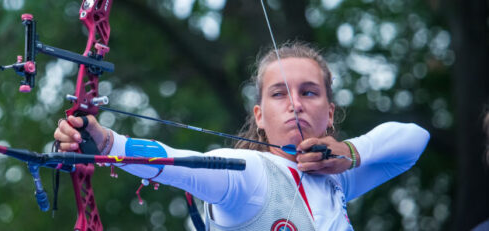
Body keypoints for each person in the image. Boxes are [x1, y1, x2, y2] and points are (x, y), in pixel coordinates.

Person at [54, 42, 430, 230]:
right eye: (279, 94)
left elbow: (413, 141)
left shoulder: (337, 181)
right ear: (259, 116)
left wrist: (350, 152)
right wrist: (106, 143)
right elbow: (177, 162)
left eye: (309, 92)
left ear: (329, 113)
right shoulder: (251, 175)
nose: (295, 104)